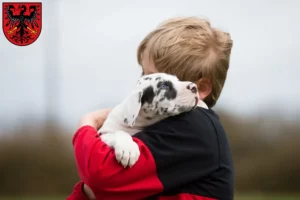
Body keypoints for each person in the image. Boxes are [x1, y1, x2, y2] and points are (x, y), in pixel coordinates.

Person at [67, 16, 234, 200]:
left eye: (152, 77)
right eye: (143, 75)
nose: (141, 84)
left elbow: (100, 178)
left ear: (200, 88)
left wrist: (86, 126)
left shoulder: (193, 128)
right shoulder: (170, 124)